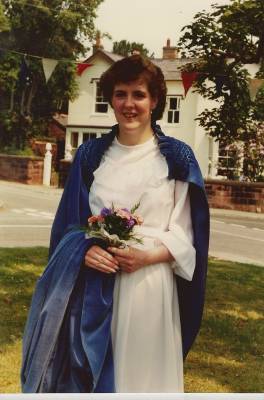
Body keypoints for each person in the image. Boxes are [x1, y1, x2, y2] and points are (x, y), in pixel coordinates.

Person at [21, 54, 209, 393]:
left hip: (149, 289)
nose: (129, 104)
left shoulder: (176, 158)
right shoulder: (91, 156)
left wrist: (146, 257)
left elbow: (186, 234)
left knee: (142, 378)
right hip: (94, 290)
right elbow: (69, 225)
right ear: (111, 100)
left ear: (154, 101)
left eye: (138, 94)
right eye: (120, 94)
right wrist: (85, 251)